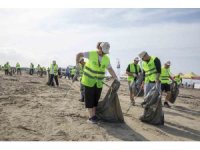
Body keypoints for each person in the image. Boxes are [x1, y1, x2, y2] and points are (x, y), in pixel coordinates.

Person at [75, 42, 118, 124]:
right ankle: (91, 117)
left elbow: (110, 69)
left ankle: (94, 115)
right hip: (88, 81)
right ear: (100, 48)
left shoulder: (106, 59)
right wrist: (77, 64)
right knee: (89, 99)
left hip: (98, 83)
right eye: (104, 51)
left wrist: (116, 78)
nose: (105, 53)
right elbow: (79, 54)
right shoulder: (91, 54)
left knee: (95, 100)